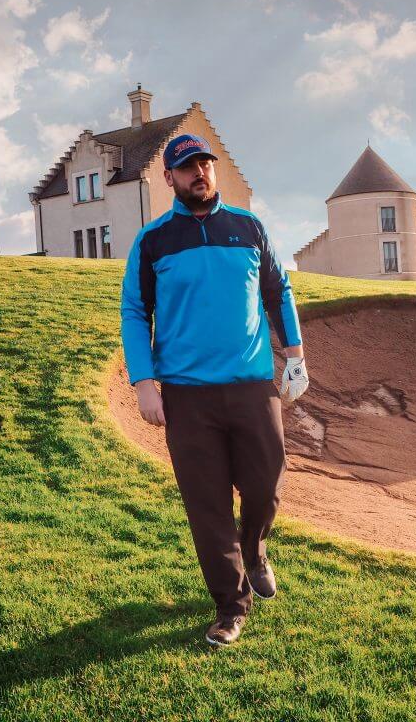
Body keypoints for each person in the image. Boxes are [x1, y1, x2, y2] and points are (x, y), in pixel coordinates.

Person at [120, 132, 308, 647]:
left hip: (252, 386)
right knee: (207, 506)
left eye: (205, 164)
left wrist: (295, 355)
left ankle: (256, 548)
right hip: (186, 395)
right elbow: (136, 312)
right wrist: (143, 382)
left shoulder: (248, 228)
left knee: (266, 488)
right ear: (170, 179)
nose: (199, 174)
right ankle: (231, 604)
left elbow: (277, 291)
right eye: (187, 168)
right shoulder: (152, 241)